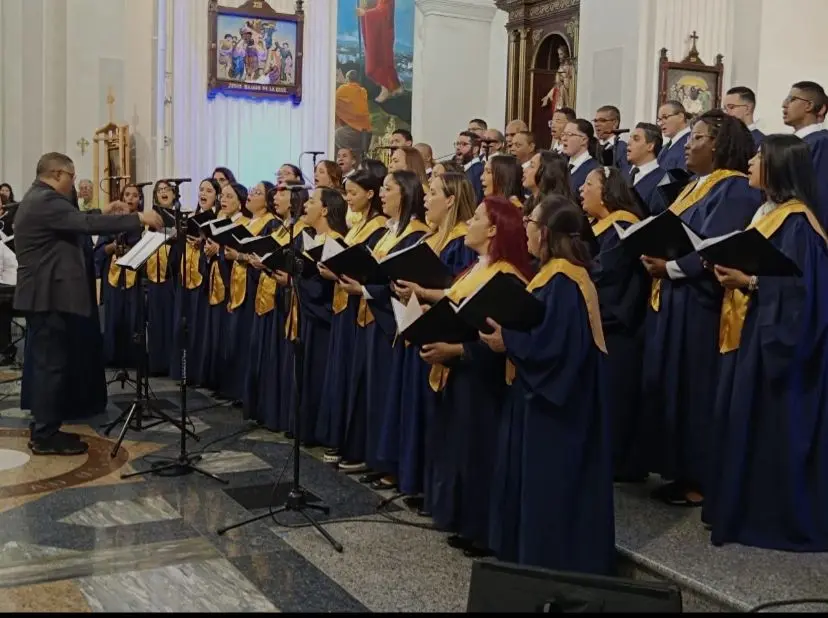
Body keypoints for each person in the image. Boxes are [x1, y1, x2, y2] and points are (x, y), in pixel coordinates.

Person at [706, 134, 828, 551]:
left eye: (760, 157)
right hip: (749, 330)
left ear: (777, 166)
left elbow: (805, 293)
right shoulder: (767, 211)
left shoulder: (798, 223)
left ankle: (759, 514)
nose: (752, 162)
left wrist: (751, 281)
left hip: (774, 342)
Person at [481, 197, 614, 575]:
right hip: (542, 397)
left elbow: (555, 348)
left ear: (548, 232)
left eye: (531, 221)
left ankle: (550, 567)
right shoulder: (551, 274)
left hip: (558, 408)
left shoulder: (565, 281)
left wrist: (509, 341)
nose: (525, 227)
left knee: (553, 490)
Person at [640, 111, 762, 507]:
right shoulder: (696, 185)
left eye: (698, 138)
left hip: (700, 302)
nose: (688, 146)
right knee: (671, 383)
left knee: (694, 385)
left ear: (720, 144)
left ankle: (699, 477)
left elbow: (718, 245)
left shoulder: (736, 189)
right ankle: (677, 468)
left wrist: (671, 266)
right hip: (674, 298)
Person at [14, 152, 162, 455]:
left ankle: (46, 426)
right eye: (71, 176)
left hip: (46, 296)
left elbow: (76, 219)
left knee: (50, 364)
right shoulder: (46, 200)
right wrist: (137, 217)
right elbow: (83, 222)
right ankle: (44, 435)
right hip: (49, 297)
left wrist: (102, 209)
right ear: (57, 174)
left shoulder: (38, 199)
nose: (72, 183)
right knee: (50, 367)